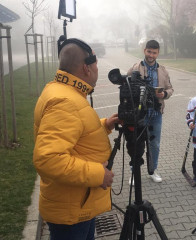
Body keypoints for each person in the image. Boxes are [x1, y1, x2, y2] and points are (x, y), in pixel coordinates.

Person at [33, 38, 118, 240]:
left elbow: (76, 133)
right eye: (96, 64)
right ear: (86, 68)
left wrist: (105, 125)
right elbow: (48, 159)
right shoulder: (65, 101)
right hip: (71, 211)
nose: (98, 69)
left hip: (77, 204)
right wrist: (99, 174)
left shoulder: (62, 91)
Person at [127, 40, 174, 183]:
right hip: (139, 114)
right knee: (136, 144)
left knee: (155, 144)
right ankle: (134, 172)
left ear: (158, 53)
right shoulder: (135, 67)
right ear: (144, 50)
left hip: (156, 114)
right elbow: (127, 86)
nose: (151, 55)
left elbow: (170, 88)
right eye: (149, 52)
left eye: (154, 52)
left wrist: (164, 94)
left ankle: (152, 170)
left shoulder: (163, 70)